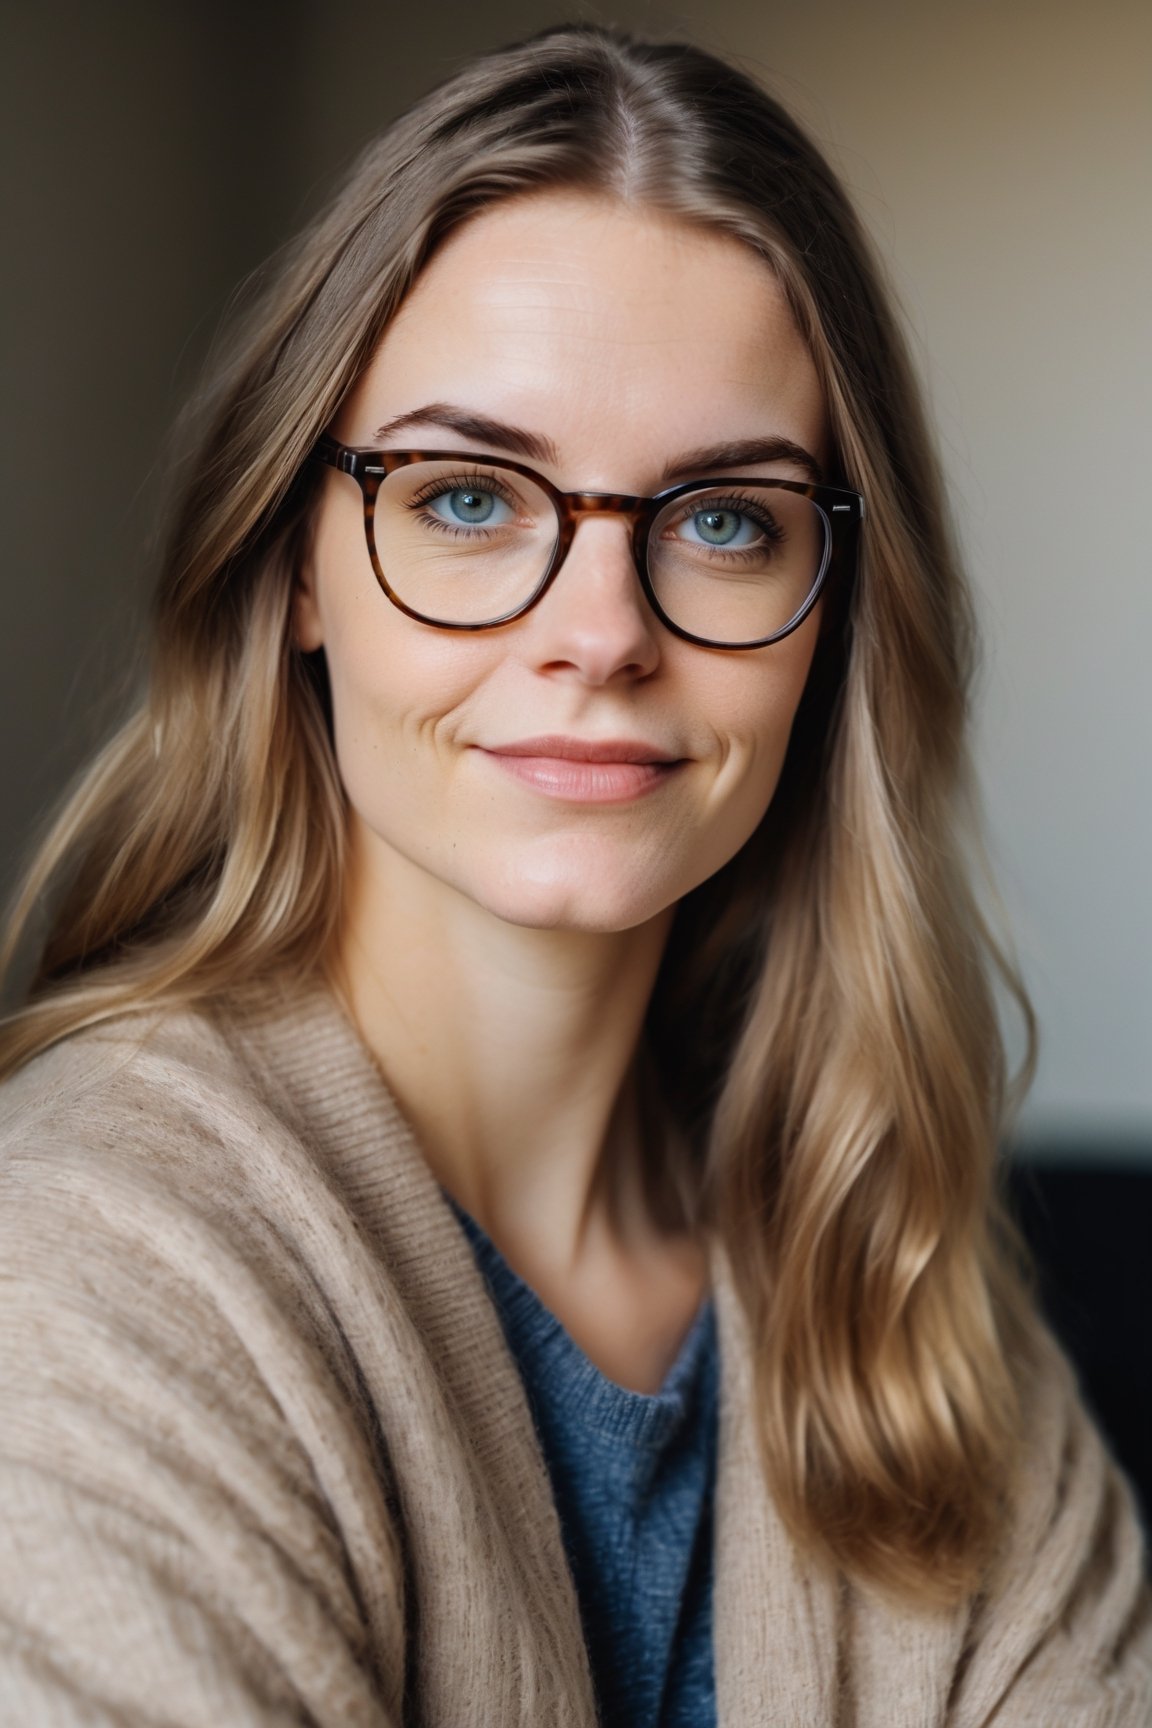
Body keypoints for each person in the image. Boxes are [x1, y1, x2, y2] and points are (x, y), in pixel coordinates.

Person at [0, 20, 1148, 1727]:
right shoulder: (89, 1272)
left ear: (832, 627)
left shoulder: (892, 1291)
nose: (599, 636)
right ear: (296, 567)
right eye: (469, 498)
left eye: (724, 519)